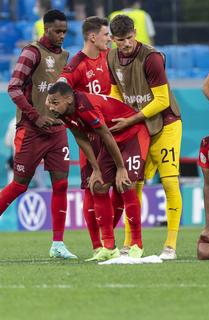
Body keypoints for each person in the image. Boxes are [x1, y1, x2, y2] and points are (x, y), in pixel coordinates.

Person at [46, 81, 150, 261]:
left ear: (69, 99)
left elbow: (105, 135)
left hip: (133, 134)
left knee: (125, 184)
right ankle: (109, 247)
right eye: (49, 102)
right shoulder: (64, 113)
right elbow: (82, 139)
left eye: (55, 103)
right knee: (98, 186)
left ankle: (137, 244)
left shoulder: (85, 106)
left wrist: (120, 168)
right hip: (113, 139)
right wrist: (96, 169)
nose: (51, 107)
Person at [3, 9, 77, 259]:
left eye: (65, 31)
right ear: (46, 29)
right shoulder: (31, 53)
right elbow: (13, 88)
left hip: (57, 131)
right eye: (58, 31)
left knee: (62, 184)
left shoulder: (65, 56)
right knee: (19, 186)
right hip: (32, 130)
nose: (62, 36)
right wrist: (36, 116)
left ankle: (58, 244)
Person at [108, 14, 182, 260]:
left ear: (135, 33)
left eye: (129, 38)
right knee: (132, 184)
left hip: (166, 124)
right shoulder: (110, 57)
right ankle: (129, 243)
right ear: (113, 39)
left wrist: (129, 119)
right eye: (120, 40)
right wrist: (119, 115)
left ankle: (170, 245)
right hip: (138, 126)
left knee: (170, 182)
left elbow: (161, 101)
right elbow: (115, 91)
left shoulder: (151, 58)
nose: (126, 44)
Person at [58, 16, 112, 260]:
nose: (109, 39)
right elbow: (59, 89)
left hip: (109, 131)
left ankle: (117, 244)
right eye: (105, 34)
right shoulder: (77, 63)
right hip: (89, 136)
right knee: (92, 187)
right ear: (92, 37)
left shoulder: (105, 57)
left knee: (119, 186)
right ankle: (97, 247)